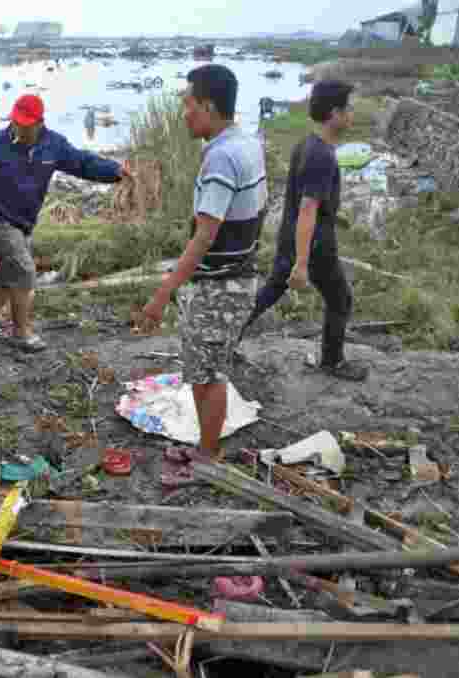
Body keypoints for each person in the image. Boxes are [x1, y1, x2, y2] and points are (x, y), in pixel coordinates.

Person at [136, 64, 267, 466]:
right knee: (211, 369)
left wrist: (163, 293)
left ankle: (208, 458)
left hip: (219, 287)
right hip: (238, 278)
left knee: (206, 376)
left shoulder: (222, 158)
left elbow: (205, 235)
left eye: (188, 105)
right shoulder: (247, 143)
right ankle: (207, 448)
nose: (184, 113)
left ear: (208, 107)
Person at [0, 94, 128, 351]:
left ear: (40, 122)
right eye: (17, 122)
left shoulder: (53, 145)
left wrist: (114, 171)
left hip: (24, 222)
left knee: (9, 275)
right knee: (25, 271)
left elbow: (82, 162)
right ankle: (21, 333)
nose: (20, 128)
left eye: (27, 124)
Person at [241, 80, 367, 382]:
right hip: (313, 247)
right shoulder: (322, 155)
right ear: (334, 113)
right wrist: (301, 263)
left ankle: (223, 338)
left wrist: (335, 216)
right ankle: (332, 362)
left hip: (293, 237)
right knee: (340, 299)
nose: (352, 115)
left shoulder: (306, 144)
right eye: (349, 109)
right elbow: (308, 209)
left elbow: (305, 200)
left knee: (270, 293)